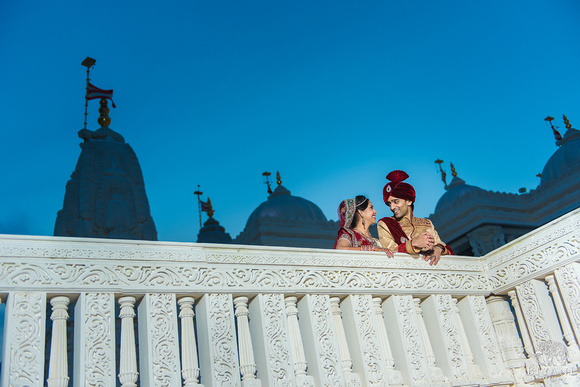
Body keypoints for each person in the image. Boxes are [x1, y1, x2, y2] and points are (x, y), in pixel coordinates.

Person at [377, 170, 453, 265]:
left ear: (408, 201)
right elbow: (390, 252)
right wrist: (413, 243)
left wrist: (438, 248)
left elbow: (443, 246)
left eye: (396, 202)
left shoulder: (426, 223)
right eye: (389, 203)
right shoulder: (386, 224)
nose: (391, 207)